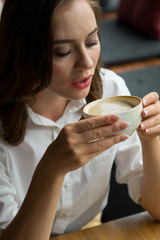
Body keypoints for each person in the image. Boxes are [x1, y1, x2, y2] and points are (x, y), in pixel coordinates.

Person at [0, 0, 160, 239]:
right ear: (23, 50)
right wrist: (50, 170)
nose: (87, 63)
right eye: (63, 51)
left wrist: (151, 141)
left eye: (92, 41)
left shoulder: (110, 89)